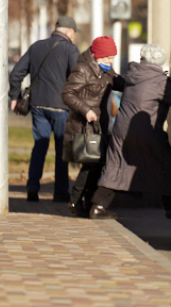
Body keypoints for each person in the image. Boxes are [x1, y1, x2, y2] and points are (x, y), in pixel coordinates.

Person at [89, 44, 171, 220]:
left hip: (122, 130)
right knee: (165, 165)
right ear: (159, 62)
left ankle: (98, 206)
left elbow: (149, 85)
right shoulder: (160, 82)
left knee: (116, 166)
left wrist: (168, 80)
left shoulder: (133, 74)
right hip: (147, 132)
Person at [8, 16, 81, 203]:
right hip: (61, 108)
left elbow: (16, 73)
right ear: (69, 31)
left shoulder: (36, 46)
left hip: (38, 106)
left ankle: (33, 186)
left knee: (39, 146)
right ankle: (61, 192)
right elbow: (77, 78)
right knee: (61, 149)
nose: (74, 37)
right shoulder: (70, 49)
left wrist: (15, 96)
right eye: (74, 33)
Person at [62, 36, 124, 217]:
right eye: (107, 58)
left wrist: (141, 82)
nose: (110, 62)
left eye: (112, 58)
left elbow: (120, 83)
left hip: (99, 126)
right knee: (91, 163)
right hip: (84, 125)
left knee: (97, 163)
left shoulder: (106, 71)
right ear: (97, 55)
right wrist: (86, 110)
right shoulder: (82, 69)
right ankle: (75, 202)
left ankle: (86, 202)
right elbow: (67, 93)